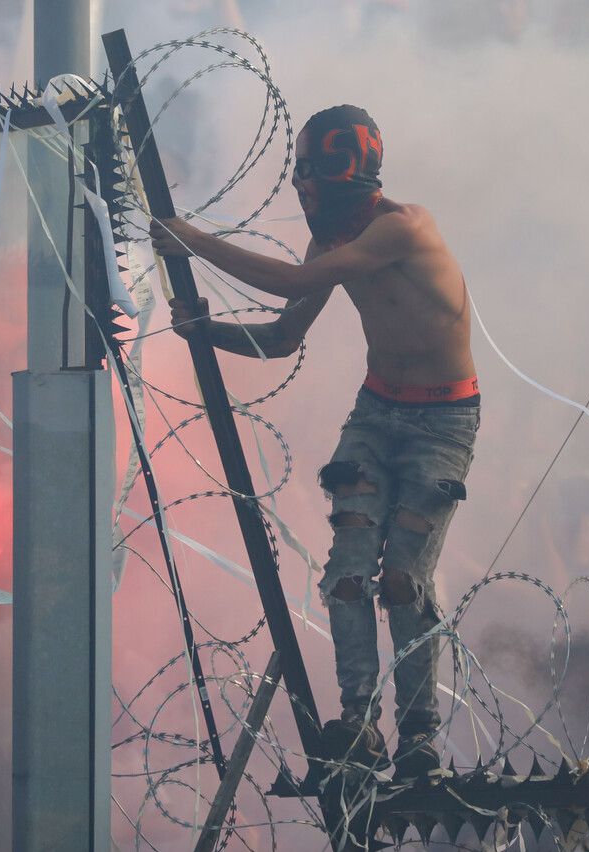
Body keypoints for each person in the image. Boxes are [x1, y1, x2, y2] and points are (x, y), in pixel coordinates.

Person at [150, 104, 479, 779]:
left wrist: (194, 241)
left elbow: (297, 285)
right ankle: (356, 724)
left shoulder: (401, 230)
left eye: (306, 178)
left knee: (402, 580)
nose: (300, 193)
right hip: (376, 411)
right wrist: (204, 330)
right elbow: (281, 337)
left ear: (336, 176)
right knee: (349, 575)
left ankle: (419, 735)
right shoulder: (333, 245)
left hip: (442, 425)